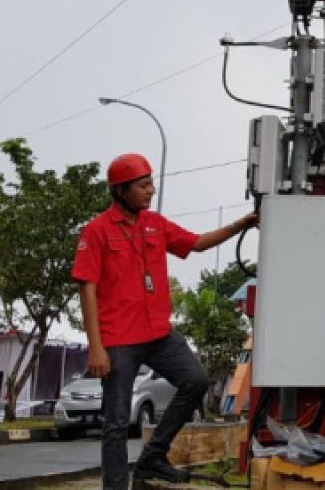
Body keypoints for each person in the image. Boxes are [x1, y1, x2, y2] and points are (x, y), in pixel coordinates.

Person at [73, 152, 259, 488]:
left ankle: (152, 457)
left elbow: (197, 243)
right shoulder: (97, 230)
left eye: (151, 184)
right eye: (143, 186)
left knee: (196, 380)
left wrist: (240, 225)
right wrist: (95, 347)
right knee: (115, 422)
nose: (151, 191)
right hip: (118, 339)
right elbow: (87, 288)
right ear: (120, 191)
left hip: (158, 333)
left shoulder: (154, 224)